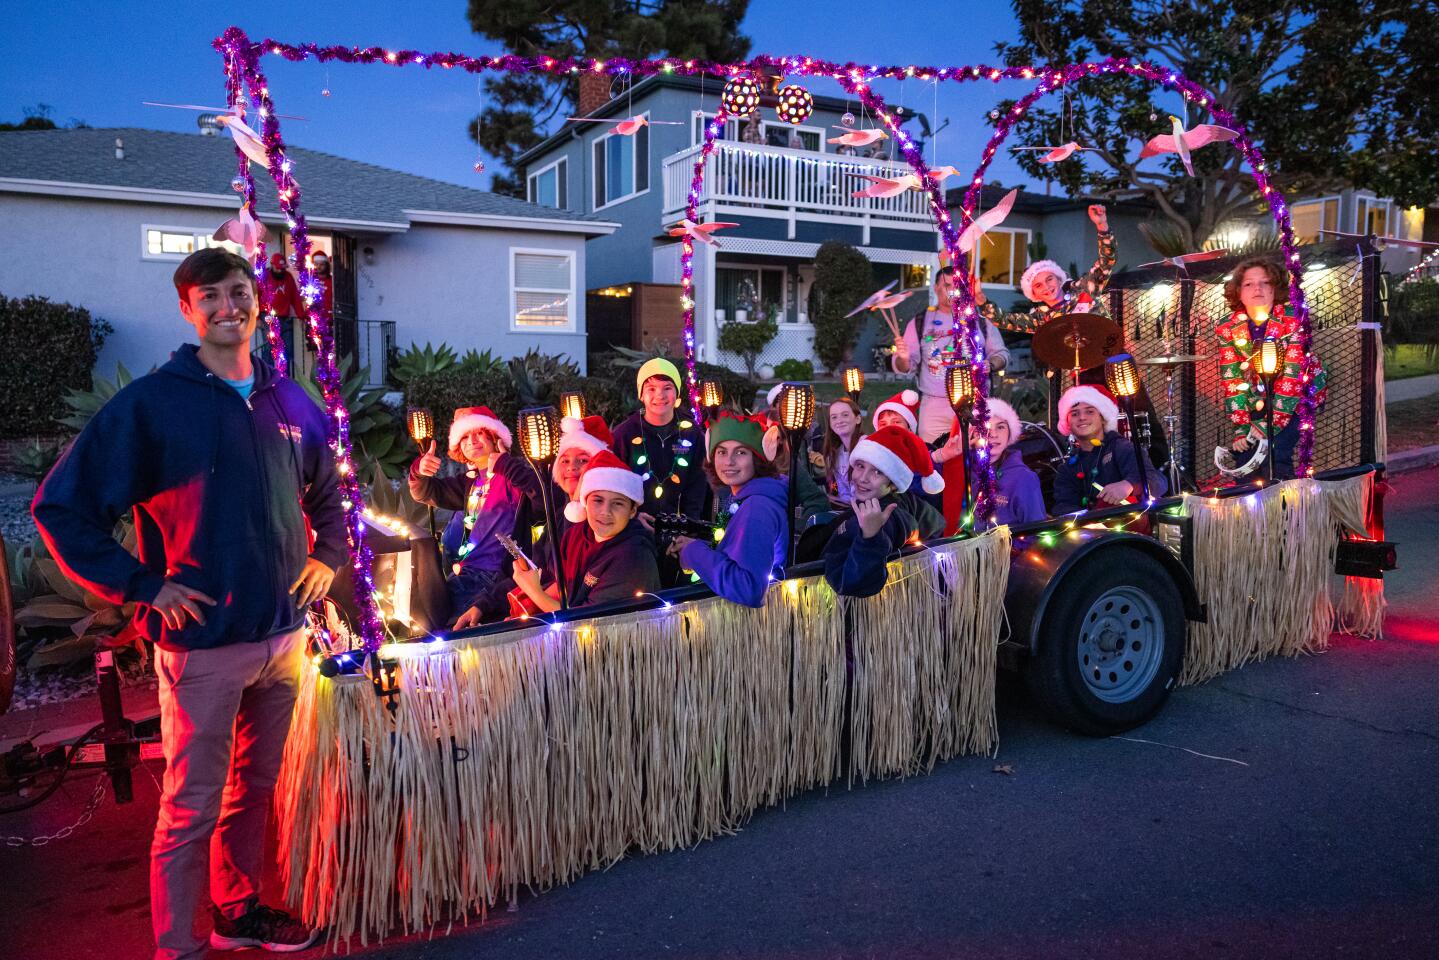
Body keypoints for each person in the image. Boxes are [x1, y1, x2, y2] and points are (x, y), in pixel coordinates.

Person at [32, 247, 340, 957]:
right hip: (202, 646)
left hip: (283, 639)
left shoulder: (288, 399)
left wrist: (325, 555)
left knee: (253, 790)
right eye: (210, 296)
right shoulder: (151, 404)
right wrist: (144, 586)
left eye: (239, 292)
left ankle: (237, 914)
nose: (228, 306)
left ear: (257, 301)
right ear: (187, 309)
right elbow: (62, 508)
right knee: (190, 805)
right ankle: (180, 945)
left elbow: (327, 488)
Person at [452, 414, 611, 628]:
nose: (571, 467)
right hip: (531, 608)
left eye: (583, 460)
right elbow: (534, 568)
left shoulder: (603, 527)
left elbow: (586, 619)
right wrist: (482, 605)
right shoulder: (562, 518)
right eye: (564, 460)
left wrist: (507, 466)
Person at [507, 450, 661, 612]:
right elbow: (562, 586)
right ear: (585, 501)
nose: (605, 511)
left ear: (632, 511)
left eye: (618, 504)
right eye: (598, 500)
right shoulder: (576, 535)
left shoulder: (633, 559)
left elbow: (586, 623)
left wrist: (534, 591)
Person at [1217, 257, 1328, 480]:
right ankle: (1249, 511)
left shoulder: (1294, 319)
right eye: (1248, 283)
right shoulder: (1227, 326)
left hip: (1298, 396)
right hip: (1257, 395)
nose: (1256, 288)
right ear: (1239, 291)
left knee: (1275, 453)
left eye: (1265, 282)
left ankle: (1283, 510)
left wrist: (1270, 424)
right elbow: (1232, 378)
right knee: (1245, 457)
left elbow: (1293, 375)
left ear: (1275, 288)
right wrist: (1242, 427)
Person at [410, 406, 525, 619]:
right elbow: (427, 492)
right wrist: (420, 470)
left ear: (494, 436)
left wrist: (506, 464)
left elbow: (539, 492)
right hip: (464, 574)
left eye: (478, 432)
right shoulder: (471, 482)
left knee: (436, 623)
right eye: (464, 436)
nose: (471, 440)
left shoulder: (512, 475)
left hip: (492, 578)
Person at [670, 412, 788, 608]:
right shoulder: (747, 498)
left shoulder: (756, 508)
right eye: (721, 452)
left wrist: (694, 552)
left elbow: (749, 588)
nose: (729, 461)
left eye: (741, 452)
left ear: (758, 459)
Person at [892, 252, 1011, 442]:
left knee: (975, 459)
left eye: (957, 286)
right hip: (934, 407)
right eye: (947, 285)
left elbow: (1001, 354)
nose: (952, 291)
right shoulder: (921, 321)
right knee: (933, 462)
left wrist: (991, 364)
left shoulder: (979, 320)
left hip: (975, 403)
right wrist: (903, 358)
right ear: (936, 287)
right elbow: (905, 366)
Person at [823, 426, 946, 598]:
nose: (863, 478)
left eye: (878, 471)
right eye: (860, 466)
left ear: (894, 483)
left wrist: (870, 536)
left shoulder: (886, 515)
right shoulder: (893, 501)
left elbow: (851, 582)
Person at [975, 204, 1115, 335]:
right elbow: (1004, 319)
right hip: (1075, 361)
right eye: (1038, 285)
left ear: (1059, 279)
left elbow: (1106, 262)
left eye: (1049, 279)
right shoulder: (1041, 319)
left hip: (1111, 354)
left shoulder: (1084, 289)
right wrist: (981, 300)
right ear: (1034, 294)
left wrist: (1102, 225)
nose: (1046, 287)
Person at [610, 357, 707, 525]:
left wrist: (690, 524)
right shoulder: (624, 434)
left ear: (676, 392)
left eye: (667, 388)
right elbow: (615, 484)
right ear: (641, 394)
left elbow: (697, 484)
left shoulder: (692, 434)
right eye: (651, 389)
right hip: (635, 526)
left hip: (681, 527)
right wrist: (631, 517)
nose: (660, 395)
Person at [1051, 385, 1167, 514]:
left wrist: (1128, 485)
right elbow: (1063, 506)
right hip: (1087, 532)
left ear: (1103, 418)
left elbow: (1158, 482)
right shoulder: (1067, 468)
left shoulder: (1122, 448)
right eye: (1074, 413)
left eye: (1090, 411)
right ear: (1067, 423)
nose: (1082, 417)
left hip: (1128, 531)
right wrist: (1086, 521)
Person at [968, 398, 1045, 528]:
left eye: (1000, 427)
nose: (993, 434)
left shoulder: (1023, 478)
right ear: (972, 433)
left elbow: (1037, 533)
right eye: (985, 427)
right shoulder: (962, 471)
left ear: (1010, 433)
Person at [819, 398, 863, 503]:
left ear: (858, 419)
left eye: (845, 415)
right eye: (834, 417)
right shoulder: (836, 452)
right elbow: (841, 493)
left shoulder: (867, 446)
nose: (839, 420)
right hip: (846, 510)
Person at [264, 252, 302, 319]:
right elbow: (256, 295)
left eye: (282, 269)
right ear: (272, 265)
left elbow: (295, 298)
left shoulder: (288, 276)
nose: (280, 271)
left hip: (284, 317)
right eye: (277, 268)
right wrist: (256, 317)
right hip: (266, 316)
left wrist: (301, 316)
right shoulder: (264, 275)